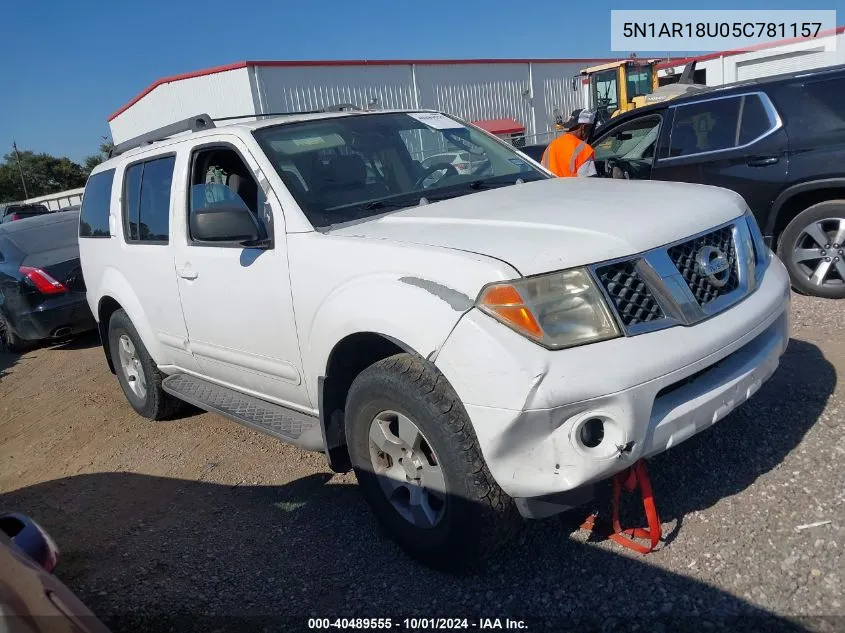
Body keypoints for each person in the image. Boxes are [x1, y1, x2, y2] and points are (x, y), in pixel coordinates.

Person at [541, 109, 597, 178]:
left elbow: (543, 173)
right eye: (590, 129)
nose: (589, 133)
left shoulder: (551, 146)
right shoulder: (583, 150)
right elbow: (589, 182)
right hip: (574, 188)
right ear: (584, 128)